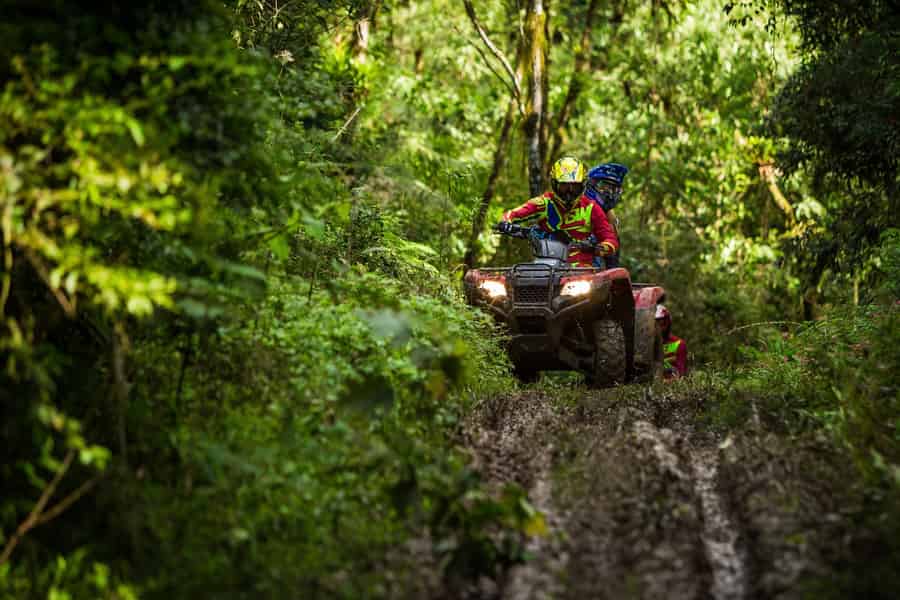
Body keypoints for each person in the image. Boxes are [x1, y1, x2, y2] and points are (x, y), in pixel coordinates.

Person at [497, 157, 619, 267]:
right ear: (555, 184)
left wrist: (601, 248)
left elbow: (610, 239)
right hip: (546, 264)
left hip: (582, 269)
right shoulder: (543, 203)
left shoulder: (591, 208)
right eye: (564, 186)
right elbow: (512, 214)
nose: (569, 192)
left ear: (582, 185)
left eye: (574, 186)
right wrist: (505, 223)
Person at [584, 163, 629, 269]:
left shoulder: (611, 217)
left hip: (594, 272)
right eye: (604, 187)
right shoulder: (578, 205)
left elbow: (613, 259)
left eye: (613, 189)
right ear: (591, 184)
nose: (609, 193)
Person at [655, 304, 687, 379]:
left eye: (662, 324)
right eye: (656, 324)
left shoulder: (679, 344)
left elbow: (680, 374)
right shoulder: (645, 346)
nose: (659, 328)